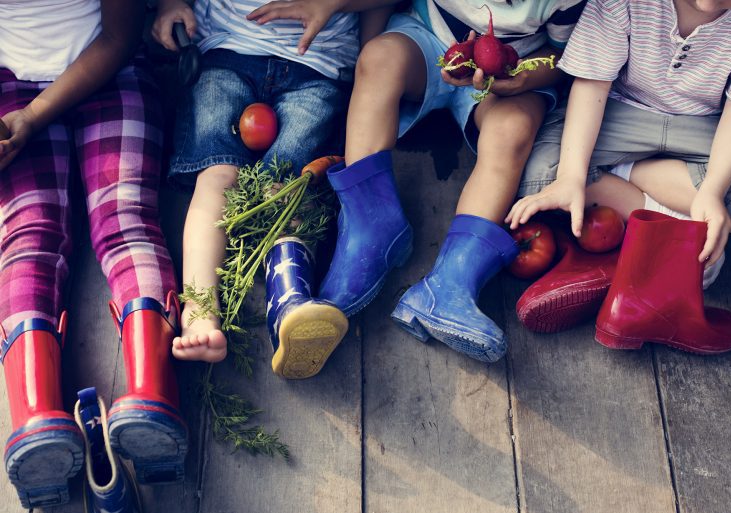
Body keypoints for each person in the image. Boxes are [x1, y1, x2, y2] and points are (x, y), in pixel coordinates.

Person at [315, 0, 587, 363]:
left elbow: (563, 54)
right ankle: (371, 225)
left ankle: (450, 284)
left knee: (513, 130)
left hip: (514, 69)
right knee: (378, 59)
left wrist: (523, 78)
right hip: (428, 39)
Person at [0, 1, 187, 508]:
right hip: (9, 83)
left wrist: (34, 117)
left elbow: (119, 37)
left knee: (124, 213)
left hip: (109, 70)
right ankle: (37, 420)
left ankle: (153, 392)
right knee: (28, 232)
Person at [152, 0, 396, 377]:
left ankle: (289, 301)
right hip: (227, 52)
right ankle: (200, 309)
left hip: (319, 66)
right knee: (218, 175)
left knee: (285, 189)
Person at [508, 0, 731, 289]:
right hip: (618, 110)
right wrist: (570, 176)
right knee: (538, 173)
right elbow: (592, 84)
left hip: (702, 125)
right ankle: (673, 224)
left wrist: (713, 191)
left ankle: (626, 174)